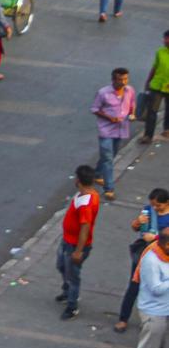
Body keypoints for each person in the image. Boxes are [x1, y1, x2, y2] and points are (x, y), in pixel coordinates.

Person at [118, 189, 169, 334]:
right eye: (152, 204)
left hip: (164, 257)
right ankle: (123, 319)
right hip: (144, 254)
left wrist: (155, 238)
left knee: (159, 288)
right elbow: (135, 228)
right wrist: (137, 222)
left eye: (158, 205)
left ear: (167, 203)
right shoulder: (148, 211)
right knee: (134, 285)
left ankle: (157, 318)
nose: (155, 208)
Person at [126, 232, 169, 348]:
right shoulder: (152, 260)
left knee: (159, 344)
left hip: (163, 309)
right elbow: (155, 288)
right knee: (148, 346)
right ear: (165, 245)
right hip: (153, 310)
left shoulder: (165, 256)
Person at [58, 166, 102, 321]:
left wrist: (78, 251)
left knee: (73, 276)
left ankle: (72, 306)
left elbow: (85, 227)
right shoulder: (85, 194)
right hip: (67, 240)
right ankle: (67, 291)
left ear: (78, 180)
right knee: (62, 266)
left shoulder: (86, 204)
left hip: (74, 245)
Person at [93, 68, 137, 200]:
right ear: (113, 80)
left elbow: (132, 103)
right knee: (108, 158)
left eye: (125, 79)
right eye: (120, 79)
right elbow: (95, 109)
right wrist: (109, 118)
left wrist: (132, 113)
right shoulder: (103, 93)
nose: (123, 82)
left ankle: (98, 174)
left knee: (110, 156)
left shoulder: (130, 90)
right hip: (106, 130)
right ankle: (109, 188)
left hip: (122, 129)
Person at [145, 31, 169, 145]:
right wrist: (148, 81)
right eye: (165, 38)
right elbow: (154, 67)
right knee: (152, 111)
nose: (165, 41)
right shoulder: (160, 52)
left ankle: (167, 129)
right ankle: (148, 135)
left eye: (167, 39)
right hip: (157, 86)